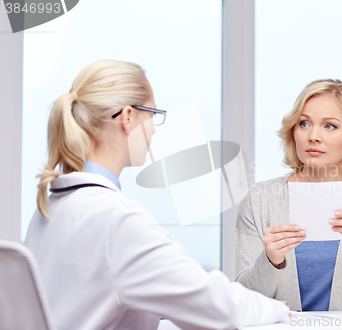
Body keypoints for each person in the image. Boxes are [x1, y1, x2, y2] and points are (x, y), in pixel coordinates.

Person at [24, 60, 288, 330]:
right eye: (151, 114)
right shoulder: (116, 218)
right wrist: (280, 309)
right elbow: (216, 307)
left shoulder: (48, 208)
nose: (152, 129)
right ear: (128, 117)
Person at [235, 79, 342, 312]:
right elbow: (244, 300)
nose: (313, 136)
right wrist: (270, 260)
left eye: (330, 126)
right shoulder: (260, 200)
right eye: (304, 123)